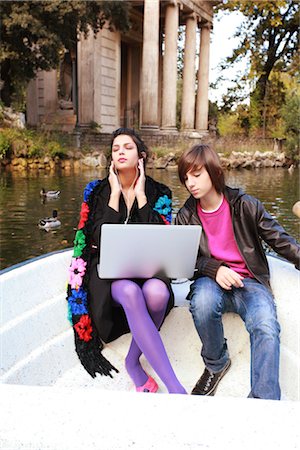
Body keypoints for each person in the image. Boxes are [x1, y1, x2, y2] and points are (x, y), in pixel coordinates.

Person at [175, 144, 300, 400]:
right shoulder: (185, 215)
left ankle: (263, 400)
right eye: (186, 177)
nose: (190, 183)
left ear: (213, 171)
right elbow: (181, 261)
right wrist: (213, 268)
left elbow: (280, 240)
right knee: (202, 301)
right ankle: (216, 363)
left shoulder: (246, 205)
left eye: (196, 175)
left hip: (250, 283)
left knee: (265, 325)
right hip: (209, 282)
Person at [67, 127, 186, 394]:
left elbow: (160, 239)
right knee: (131, 292)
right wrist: (113, 195)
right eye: (116, 148)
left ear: (141, 155)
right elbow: (96, 237)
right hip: (109, 275)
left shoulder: (160, 192)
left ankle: (133, 361)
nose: (120, 152)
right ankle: (175, 388)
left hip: (147, 268)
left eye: (127, 147)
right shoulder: (96, 191)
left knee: (157, 293)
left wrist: (142, 195)